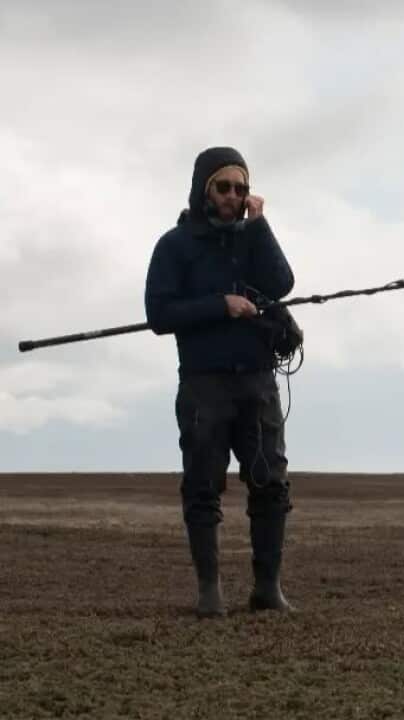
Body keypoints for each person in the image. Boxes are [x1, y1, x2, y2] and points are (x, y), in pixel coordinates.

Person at [144, 147, 296, 618]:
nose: (234, 197)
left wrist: (261, 226)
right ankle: (210, 591)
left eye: (241, 188)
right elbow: (159, 314)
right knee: (203, 487)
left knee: (270, 483)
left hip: (257, 383)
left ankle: (267, 589)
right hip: (204, 386)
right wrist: (220, 305)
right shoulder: (175, 245)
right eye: (224, 187)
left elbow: (283, 282)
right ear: (202, 189)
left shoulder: (252, 239)